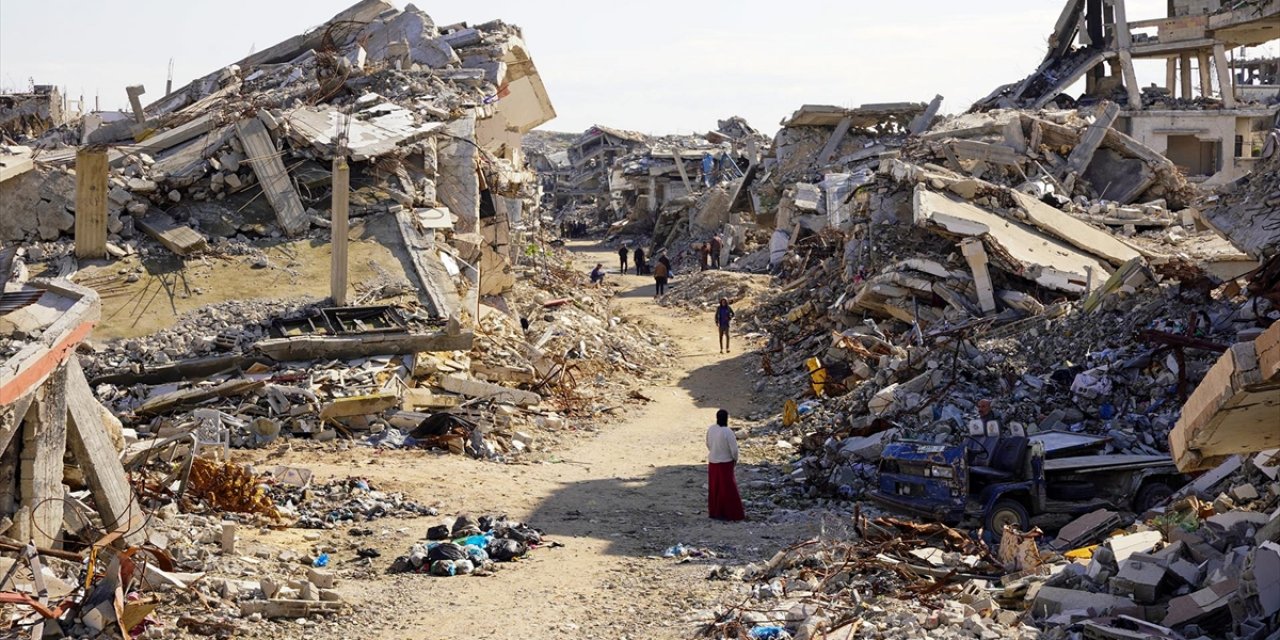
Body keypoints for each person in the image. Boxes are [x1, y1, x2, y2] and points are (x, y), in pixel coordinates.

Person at [706, 409, 745, 521]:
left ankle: (715, 512)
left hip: (713, 462)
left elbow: (708, 444)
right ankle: (733, 514)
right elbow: (734, 450)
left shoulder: (711, 429)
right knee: (729, 488)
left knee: (715, 488)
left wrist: (714, 452)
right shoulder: (728, 432)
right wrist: (735, 459)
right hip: (725, 463)